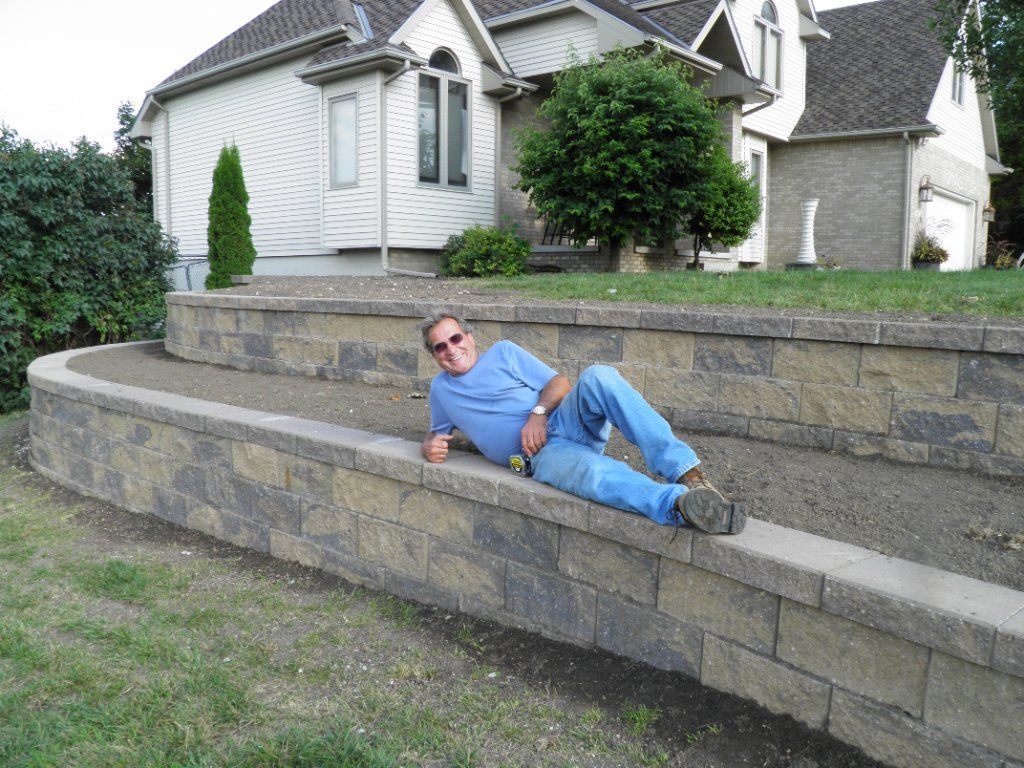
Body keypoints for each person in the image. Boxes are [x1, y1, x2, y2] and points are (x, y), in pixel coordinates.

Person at [418, 312, 745, 534]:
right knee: (592, 474)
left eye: (456, 338)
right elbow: (436, 435)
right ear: (434, 355)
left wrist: (538, 414)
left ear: (470, 338)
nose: (451, 349)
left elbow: (559, 383)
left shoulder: (504, 353)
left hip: (563, 419)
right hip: (540, 454)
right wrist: (430, 445)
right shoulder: (441, 391)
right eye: (440, 346)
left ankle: (692, 476)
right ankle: (681, 506)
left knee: (600, 377)